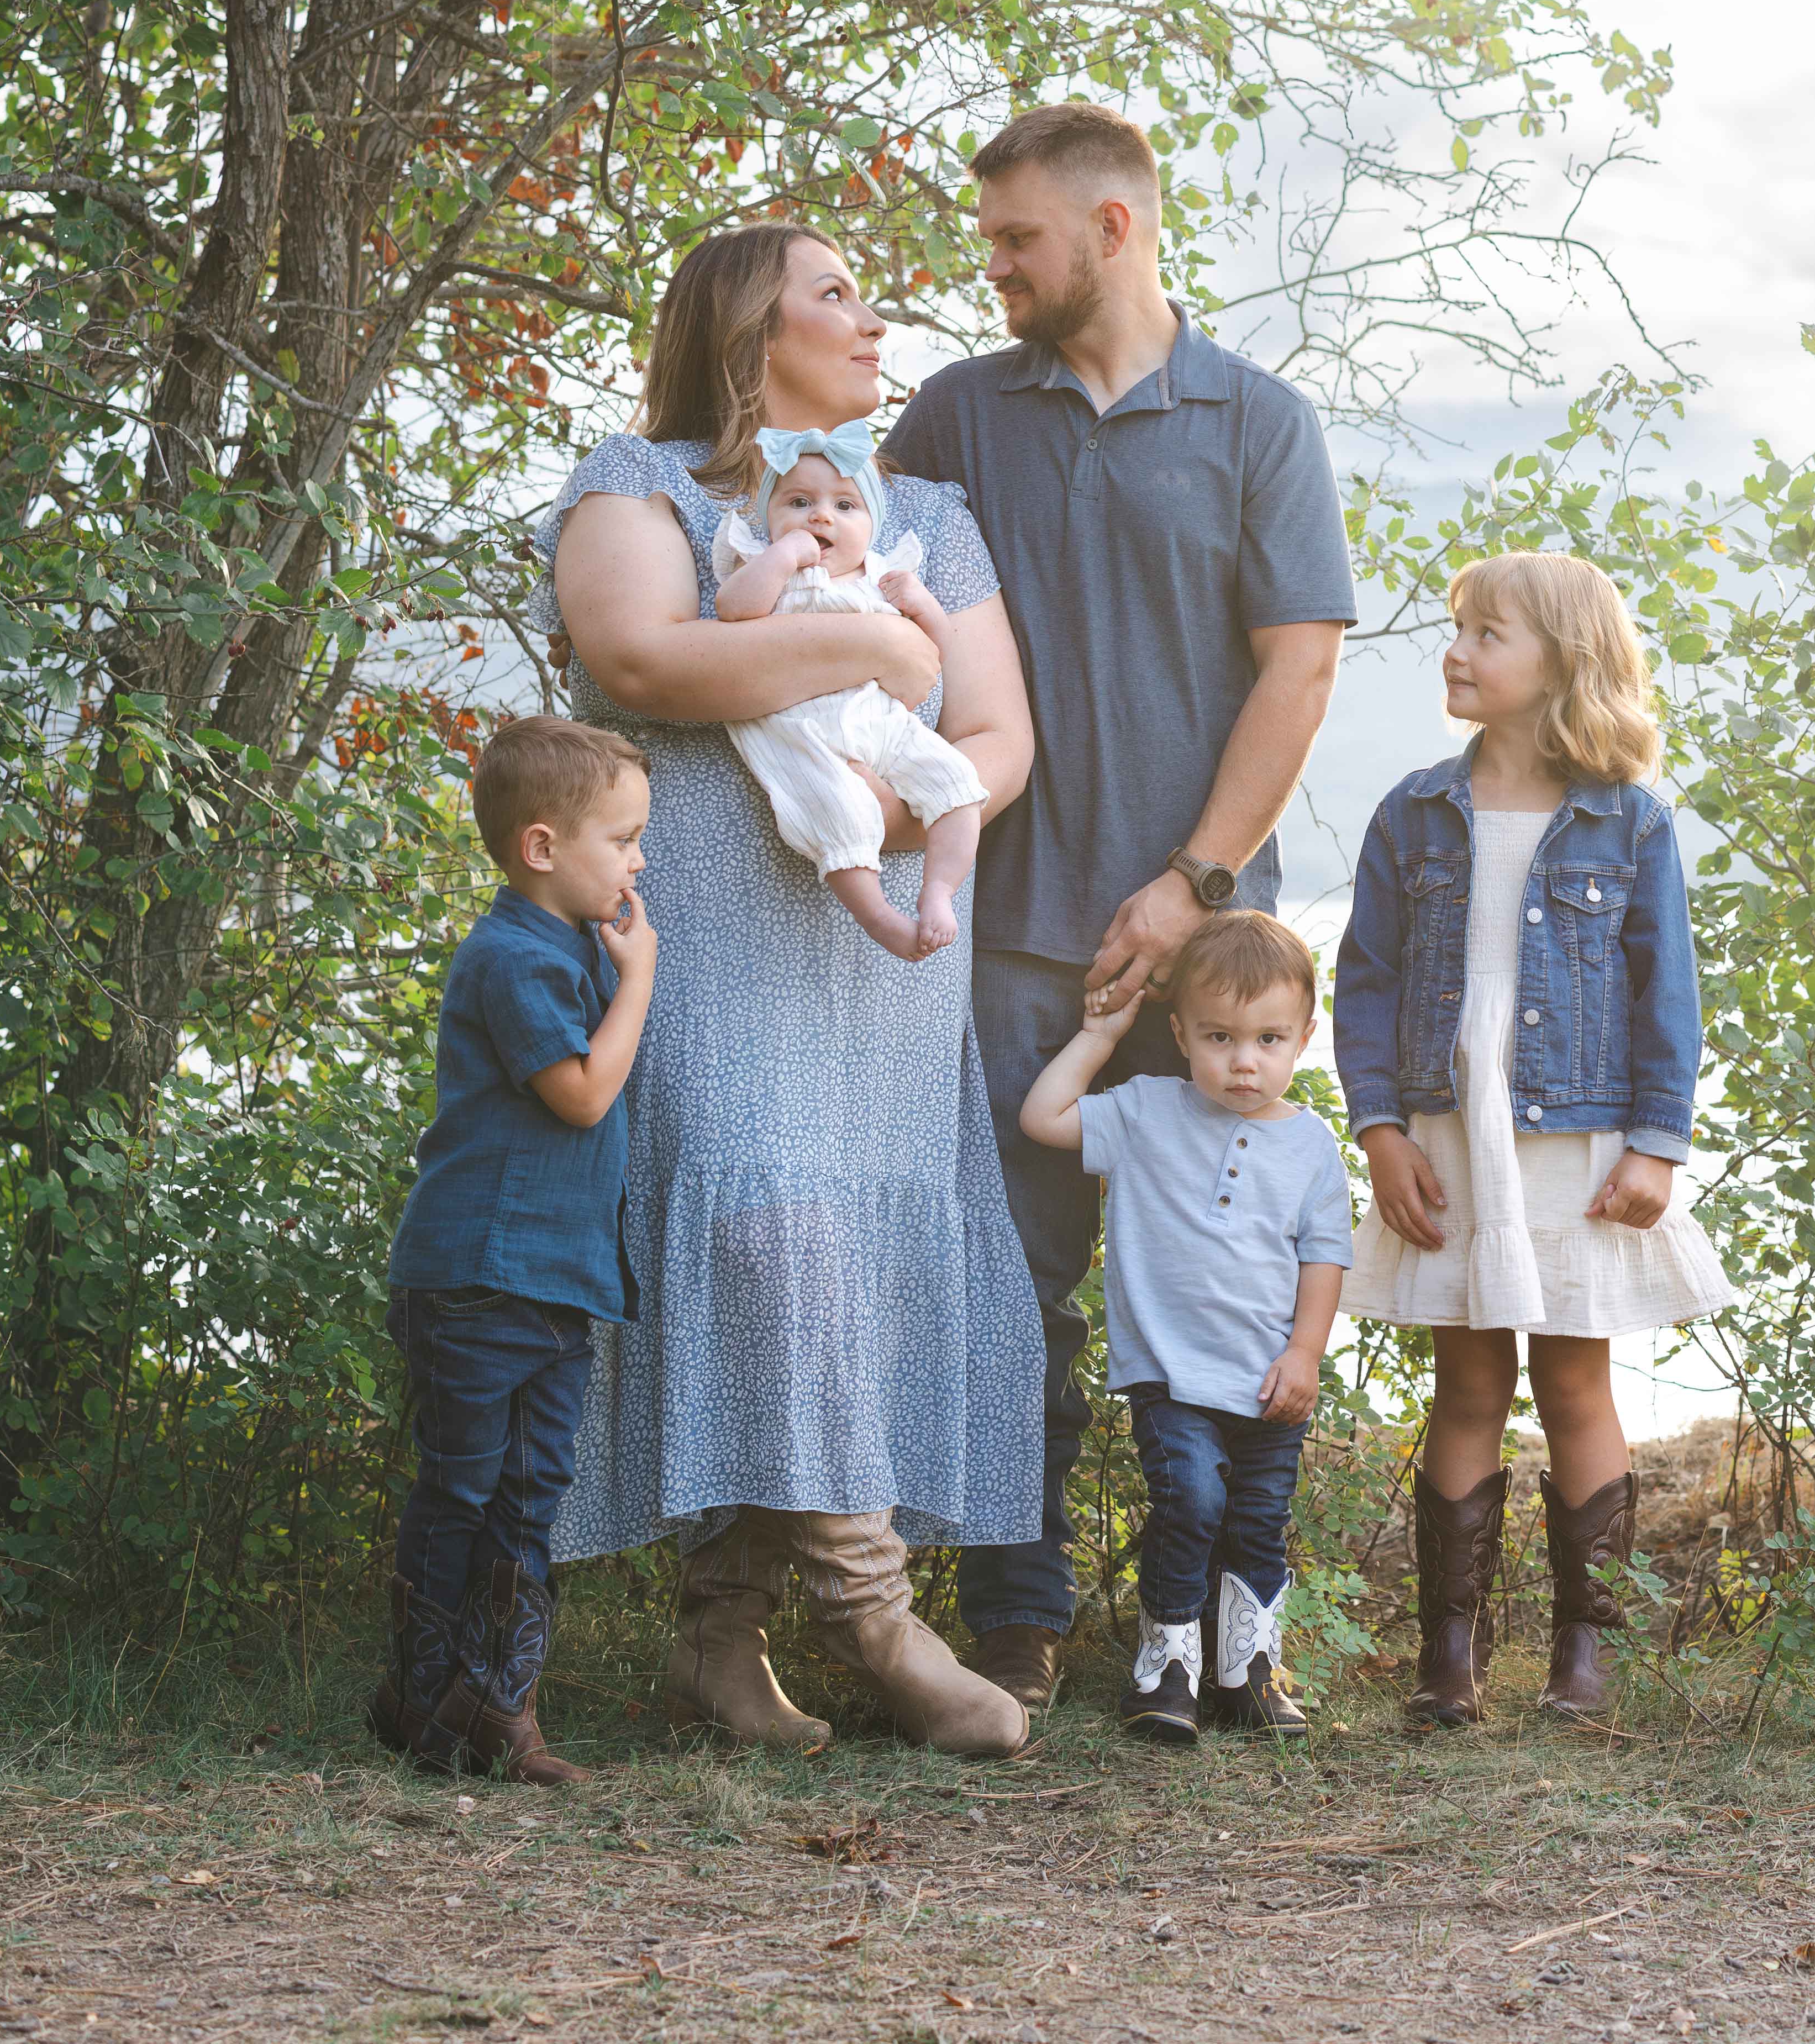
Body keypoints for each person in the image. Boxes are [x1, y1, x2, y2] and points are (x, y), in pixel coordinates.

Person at [538, 220, 1043, 1760]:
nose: (875, 318)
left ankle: (719, 1640)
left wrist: (889, 809)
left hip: (880, 940)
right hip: (706, 927)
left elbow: (1002, 735)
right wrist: (875, 658)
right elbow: (638, 659)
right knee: (766, 1238)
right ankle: (874, 1615)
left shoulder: (930, 516)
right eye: (840, 292)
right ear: (754, 330)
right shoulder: (642, 485)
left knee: (833, 1257)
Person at [883, 103, 1355, 1708]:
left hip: (1215, 962)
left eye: (1017, 238)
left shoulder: (1256, 421)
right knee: (1011, 1295)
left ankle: (1235, 1640)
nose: (994, 266)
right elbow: (875, 624)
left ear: (1114, 228)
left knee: (1234, 1297)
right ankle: (1015, 1621)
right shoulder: (952, 416)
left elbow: (1301, 666)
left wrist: (1191, 883)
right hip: (1007, 935)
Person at [1335, 550, 1731, 1724]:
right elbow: (1364, 984)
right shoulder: (1410, 812)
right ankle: (1446, 1658)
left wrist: (1657, 1142)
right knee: (1465, 1377)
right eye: (1458, 629)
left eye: (1485, 633)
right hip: (1449, 1137)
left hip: (1580, 1142)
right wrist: (1380, 1130)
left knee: (1573, 1376)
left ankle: (1583, 1658)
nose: (1456, 650)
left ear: (1560, 660)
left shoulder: (1630, 822)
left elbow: (1671, 997)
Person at [370, 715, 660, 1787]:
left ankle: (500, 1702)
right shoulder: (509, 957)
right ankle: (422, 1697)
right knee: (462, 1483)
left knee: (532, 1487)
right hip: (478, 1273)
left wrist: (620, 970)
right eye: (622, 838)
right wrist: (639, 982)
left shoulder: (581, 947)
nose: (638, 860)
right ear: (542, 846)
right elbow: (581, 1095)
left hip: (557, 1277)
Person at [1013, 911, 1352, 1746]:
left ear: (1306, 1037)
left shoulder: (1312, 1146)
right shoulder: (1145, 1113)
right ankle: (1168, 1663)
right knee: (1193, 1500)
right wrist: (1099, 1036)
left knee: (1257, 1521)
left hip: (1271, 1376)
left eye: (1270, 1039)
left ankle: (1248, 1668)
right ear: (1180, 1034)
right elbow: (1043, 1118)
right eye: (1219, 1037)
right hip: (1170, 1374)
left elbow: (1324, 1258)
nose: (1245, 1061)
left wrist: (1305, 1354)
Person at [708, 437, 987, 961]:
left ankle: (939, 891)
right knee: (842, 815)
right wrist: (784, 555)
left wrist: (923, 607)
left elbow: (937, 655)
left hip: (881, 719)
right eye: (797, 503)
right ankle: (879, 918)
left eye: (844, 506)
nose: (820, 518)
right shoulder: (761, 564)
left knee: (959, 784)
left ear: (871, 525)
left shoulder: (883, 578)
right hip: (801, 729)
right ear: (768, 517)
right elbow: (734, 611)